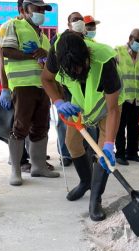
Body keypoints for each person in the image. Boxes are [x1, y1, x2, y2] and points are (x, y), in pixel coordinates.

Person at [42, 31, 121, 221]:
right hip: (79, 107)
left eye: (80, 68)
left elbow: (113, 110)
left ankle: (96, 199)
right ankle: (86, 181)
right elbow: (46, 78)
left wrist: (109, 144)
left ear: (87, 56)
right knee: (72, 143)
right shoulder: (57, 53)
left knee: (102, 153)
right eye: (71, 72)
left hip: (105, 107)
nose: (77, 74)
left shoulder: (105, 60)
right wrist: (59, 101)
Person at [0, 0, 59, 186]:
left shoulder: (43, 36)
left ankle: (38, 166)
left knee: (41, 126)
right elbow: (6, 51)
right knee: (20, 127)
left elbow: (48, 61)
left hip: (42, 86)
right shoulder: (12, 25)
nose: (40, 12)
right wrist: (5, 88)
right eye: (37, 9)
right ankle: (16, 170)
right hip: (22, 85)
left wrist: (45, 55)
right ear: (24, 10)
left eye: (43, 10)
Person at [51, 11, 86, 167]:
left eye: (80, 19)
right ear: (69, 23)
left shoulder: (86, 40)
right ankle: (65, 154)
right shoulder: (58, 41)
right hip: (65, 90)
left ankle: (85, 152)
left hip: (82, 92)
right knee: (64, 123)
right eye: (74, 19)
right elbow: (49, 73)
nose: (78, 22)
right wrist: (58, 100)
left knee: (86, 123)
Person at [114, 29, 139, 165]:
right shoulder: (118, 51)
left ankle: (132, 153)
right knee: (120, 127)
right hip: (122, 97)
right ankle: (120, 154)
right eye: (137, 40)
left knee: (134, 127)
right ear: (130, 38)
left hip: (136, 98)